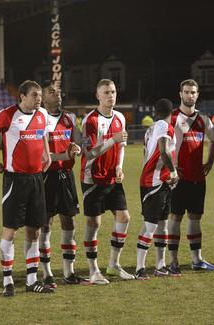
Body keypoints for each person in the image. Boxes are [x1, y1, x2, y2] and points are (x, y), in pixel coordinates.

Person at [0, 80, 55, 296]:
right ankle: (7, 281)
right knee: (10, 230)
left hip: (36, 179)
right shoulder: (7, 115)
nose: (38, 98)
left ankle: (32, 280)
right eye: (34, 95)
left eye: (39, 95)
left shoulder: (42, 114)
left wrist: (47, 153)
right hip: (15, 179)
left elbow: (43, 133)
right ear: (22, 97)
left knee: (34, 230)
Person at [80, 79, 134, 284]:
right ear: (97, 95)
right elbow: (90, 152)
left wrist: (119, 166)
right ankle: (94, 270)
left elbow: (121, 147)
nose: (111, 96)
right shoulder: (90, 121)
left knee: (124, 218)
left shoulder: (120, 117)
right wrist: (113, 139)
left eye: (113, 92)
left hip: (113, 177)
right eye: (106, 93)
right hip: (92, 178)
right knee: (94, 222)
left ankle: (113, 265)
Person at [166, 79, 214, 275]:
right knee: (175, 217)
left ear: (197, 95)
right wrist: (170, 168)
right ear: (180, 94)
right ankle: (172, 261)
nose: (190, 95)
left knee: (195, 217)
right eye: (187, 92)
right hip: (177, 179)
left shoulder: (204, 120)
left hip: (198, 177)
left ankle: (197, 260)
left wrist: (210, 161)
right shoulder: (171, 118)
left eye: (193, 92)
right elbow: (160, 145)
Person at [38, 81, 87, 287]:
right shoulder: (39, 119)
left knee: (69, 222)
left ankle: (69, 273)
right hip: (46, 177)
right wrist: (64, 154)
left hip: (66, 176)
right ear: (42, 97)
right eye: (52, 92)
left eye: (58, 92)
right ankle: (47, 273)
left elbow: (80, 142)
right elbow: (42, 156)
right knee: (45, 225)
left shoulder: (69, 118)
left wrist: (77, 146)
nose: (57, 95)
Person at [134, 98, 179, 280]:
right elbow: (163, 150)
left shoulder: (150, 129)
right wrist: (173, 172)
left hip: (158, 181)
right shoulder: (165, 127)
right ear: (172, 112)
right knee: (151, 226)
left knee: (162, 224)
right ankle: (139, 268)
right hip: (154, 183)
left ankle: (160, 266)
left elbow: (146, 153)